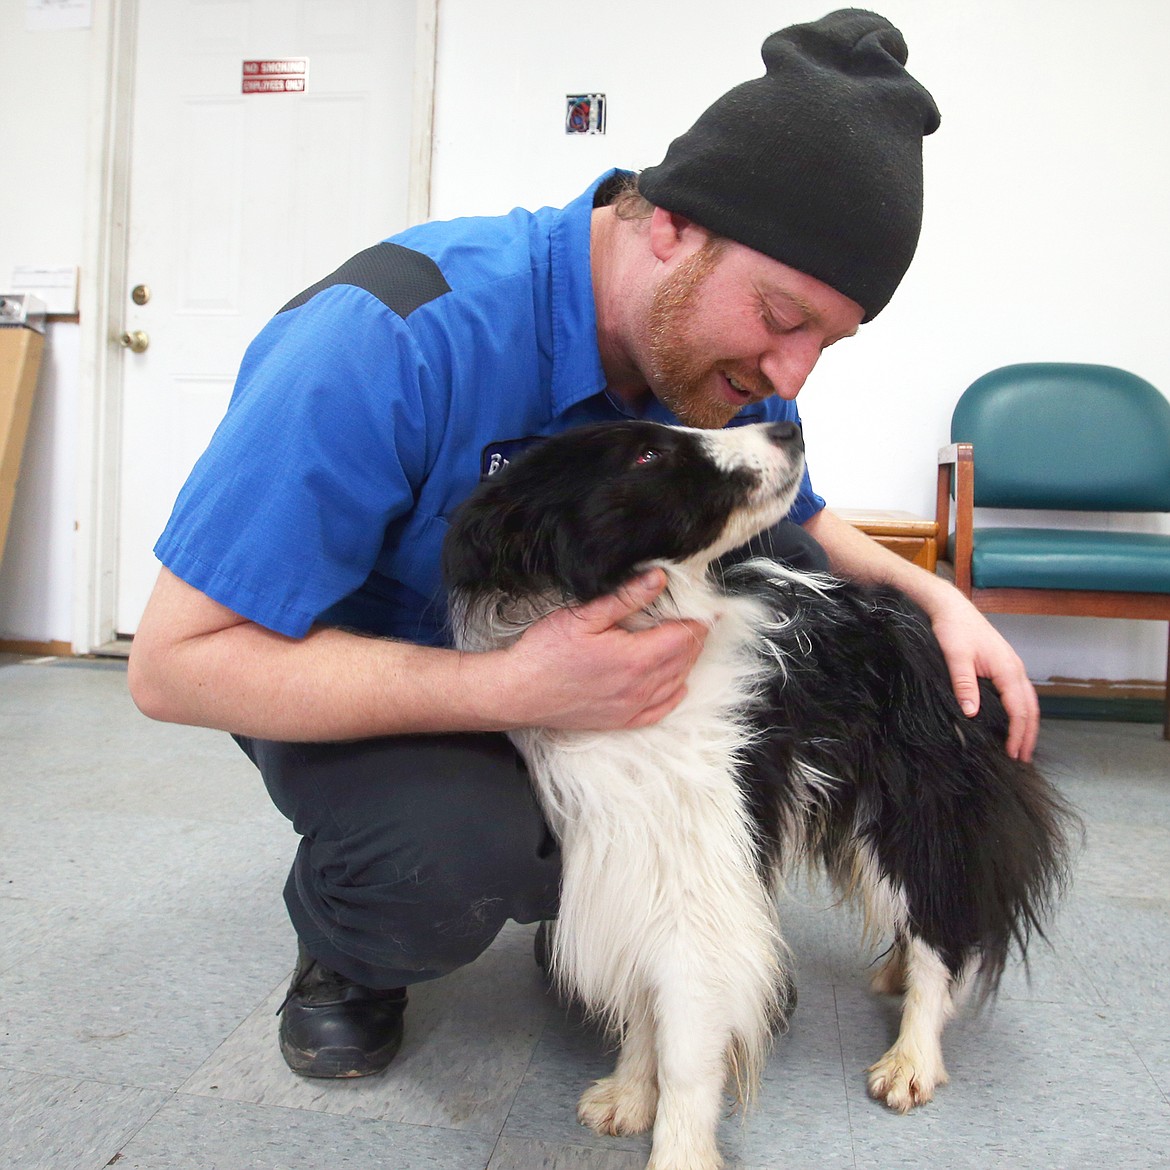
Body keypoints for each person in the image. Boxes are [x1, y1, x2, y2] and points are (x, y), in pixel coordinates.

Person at [129, 8, 1040, 1080]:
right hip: (367, 686)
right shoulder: (390, 338)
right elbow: (174, 666)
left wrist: (941, 601)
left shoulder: (701, 359)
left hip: (570, 679)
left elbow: (803, 523)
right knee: (447, 854)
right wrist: (511, 692)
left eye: (825, 343)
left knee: (779, 590)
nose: (793, 377)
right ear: (672, 230)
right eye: (783, 316)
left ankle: (608, 912)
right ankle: (351, 946)